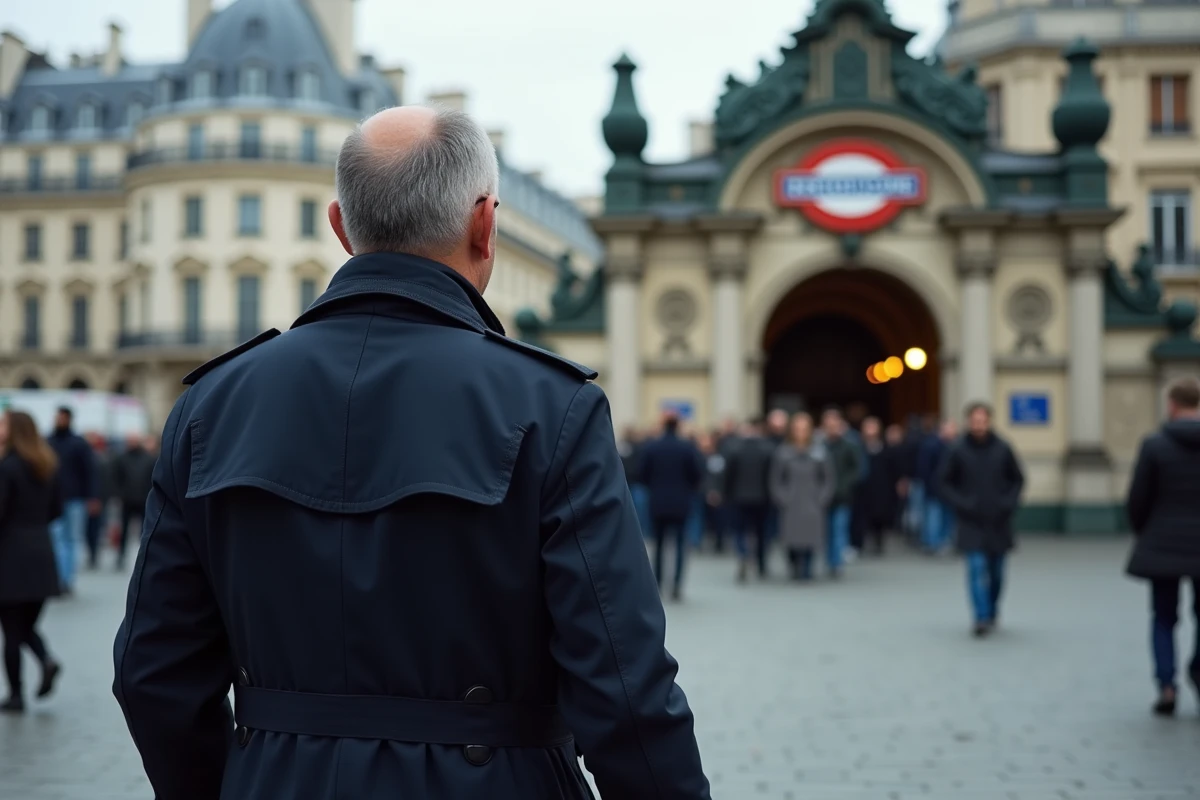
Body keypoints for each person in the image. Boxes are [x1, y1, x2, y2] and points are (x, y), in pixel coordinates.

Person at [113, 106, 709, 800]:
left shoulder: (209, 406)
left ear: (340, 227)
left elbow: (151, 673)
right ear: (485, 224)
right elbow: (625, 688)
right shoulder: (552, 406)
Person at [1125, 377, 1200, 716]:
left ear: (1171, 404)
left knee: (1163, 618)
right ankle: (1199, 671)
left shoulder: (1155, 445)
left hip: (1163, 543)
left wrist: (1146, 532)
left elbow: (1138, 498)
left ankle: (1167, 685)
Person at [937, 402, 1025, 637]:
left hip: (998, 520)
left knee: (996, 572)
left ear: (989, 421)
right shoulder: (957, 450)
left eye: (982, 420)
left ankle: (993, 608)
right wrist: (961, 503)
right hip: (970, 521)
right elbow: (944, 482)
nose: (978, 425)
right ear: (968, 422)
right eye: (974, 421)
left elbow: (1017, 479)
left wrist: (1008, 503)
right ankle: (980, 617)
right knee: (976, 568)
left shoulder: (1003, 448)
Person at [0, 411, 64, 712]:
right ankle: (46, 660)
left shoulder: (8, 467)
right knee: (25, 625)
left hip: (11, 555)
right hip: (42, 553)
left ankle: (15, 695)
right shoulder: (46, 465)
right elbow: (56, 510)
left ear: (15, 431)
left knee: (12, 629)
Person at [641, 416, 704, 600]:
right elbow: (697, 474)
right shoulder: (687, 447)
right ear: (678, 426)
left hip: (658, 501)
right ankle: (676, 584)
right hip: (681, 502)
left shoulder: (652, 446)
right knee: (679, 545)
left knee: (658, 545)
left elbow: (642, 473)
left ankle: (658, 583)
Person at [769, 413, 834, 580]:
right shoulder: (783, 452)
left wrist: (822, 498)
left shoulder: (819, 452)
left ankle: (807, 568)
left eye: (804, 429)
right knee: (791, 537)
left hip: (812, 502)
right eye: (797, 429)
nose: (801, 433)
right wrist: (782, 497)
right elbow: (776, 479)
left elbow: (828, 478)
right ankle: (794, 565)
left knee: (810, 537)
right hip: (791, 502)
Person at [46, 406, 97, 593]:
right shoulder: (48, 442)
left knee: (70, 539)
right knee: (57, 539)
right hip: (54, 499)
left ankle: (66, 580)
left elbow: (90, 472)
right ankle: (59, 579)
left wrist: (92, 497)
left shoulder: (78, 444)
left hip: (75, 499)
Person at [724, 420, 778, 582]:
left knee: (740, 531)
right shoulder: (768, 449)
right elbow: (771, 477)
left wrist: (727, 495)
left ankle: (743, 555)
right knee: (761, 532)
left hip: (739, 498)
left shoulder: (734, 449)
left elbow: (729, 476)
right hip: (762, 498)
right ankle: (761, 563)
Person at [820, 409, 862, 578]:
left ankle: (836, 563)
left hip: (842, 495)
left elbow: (858, 469)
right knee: (826, 531)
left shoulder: (849, 445)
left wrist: (845, 485)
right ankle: (829, 559)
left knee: (839, 528)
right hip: (822, 496)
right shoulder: (819, 446)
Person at [111, 433, 157, 571]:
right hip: (127, 500)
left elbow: (152, 479)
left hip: (144, 499)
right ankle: (121, 555)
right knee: (124, 529)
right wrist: (119, 494)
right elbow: (115, 478)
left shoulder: (149, 459)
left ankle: (144, 554)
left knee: (144, 530)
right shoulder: (121, 458)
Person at [917, 419, 958, 554]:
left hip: (949, 490)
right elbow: (924, 468)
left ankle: (944, 541)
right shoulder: (931, 445)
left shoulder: (954, 445)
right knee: (933, 516)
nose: (953, 432)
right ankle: (931, 542)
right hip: (934, 488)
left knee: (947, 517)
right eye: (950, 429)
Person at [84, 431, 115, 570]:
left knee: (96, 528)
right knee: (89, 528)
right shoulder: (90, 457)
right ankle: (92, 552)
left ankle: (94, 553)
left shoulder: (105, 458)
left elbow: (108, 480)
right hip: (90, 498)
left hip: (100, 498)